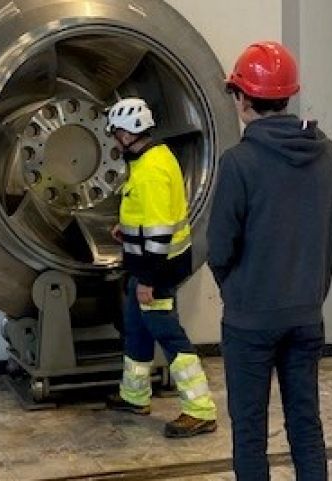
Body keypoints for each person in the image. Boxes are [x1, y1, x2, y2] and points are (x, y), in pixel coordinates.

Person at [208, 41, 332, 481]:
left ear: (243, 98)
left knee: (249, 433)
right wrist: (312, 292)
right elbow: (329, 230)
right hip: (306, 312)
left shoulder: (238, 162)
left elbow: (220, 246)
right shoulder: (327, 154)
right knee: (306, 425)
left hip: (250, 319)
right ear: (288, 95)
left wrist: (235, 289)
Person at [104, 98, 219, 438]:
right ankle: (134, 395)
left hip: (158, 269)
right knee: (137, 326)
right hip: (150, 265)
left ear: (128, 133)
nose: (113, 139)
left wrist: (148, 280)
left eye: (115, 133)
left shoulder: (151, 169)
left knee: (167, 334)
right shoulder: (151, 158)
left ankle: (200, 410)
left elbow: (159, 231)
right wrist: (125, 228)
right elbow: (151, 216)